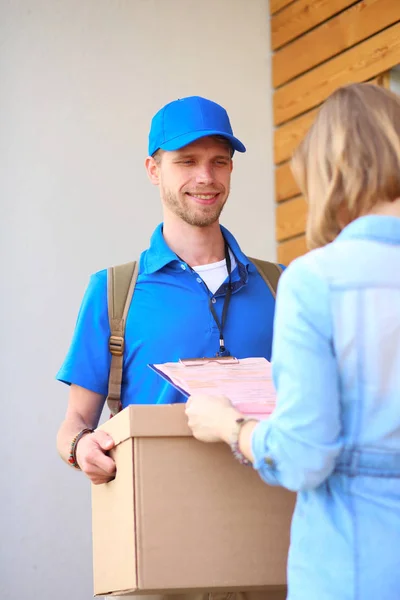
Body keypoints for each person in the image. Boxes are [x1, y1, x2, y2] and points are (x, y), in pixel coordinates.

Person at [185, 83, 400, 600]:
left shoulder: (313, 281)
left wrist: (230, 426)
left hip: (355, 568)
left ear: (330, 172)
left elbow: (306, 455)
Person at [56, 96, 281, 486]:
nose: (206, 177)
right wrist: (80, 446)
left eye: (219, 161)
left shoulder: (280, 285)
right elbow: (75, 423)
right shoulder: (113, 292)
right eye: (187, 161)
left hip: (269, 515)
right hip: (158, 510)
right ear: (153, 170)